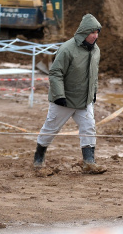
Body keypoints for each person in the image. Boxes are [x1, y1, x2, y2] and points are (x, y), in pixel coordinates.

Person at [33, 14, 107, 174]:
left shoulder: (96, 50)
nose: (95, 35)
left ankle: (89, 162)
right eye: (92, 32)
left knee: (89, 128)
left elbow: (94, 75)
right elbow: (55, 72)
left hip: (84, 100)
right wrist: (59, 96)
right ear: (83, 32)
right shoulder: (67, 49)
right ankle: (38, 158)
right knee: (51, 128)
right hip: (64, 100)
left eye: (97, 32)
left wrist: (93, 93)